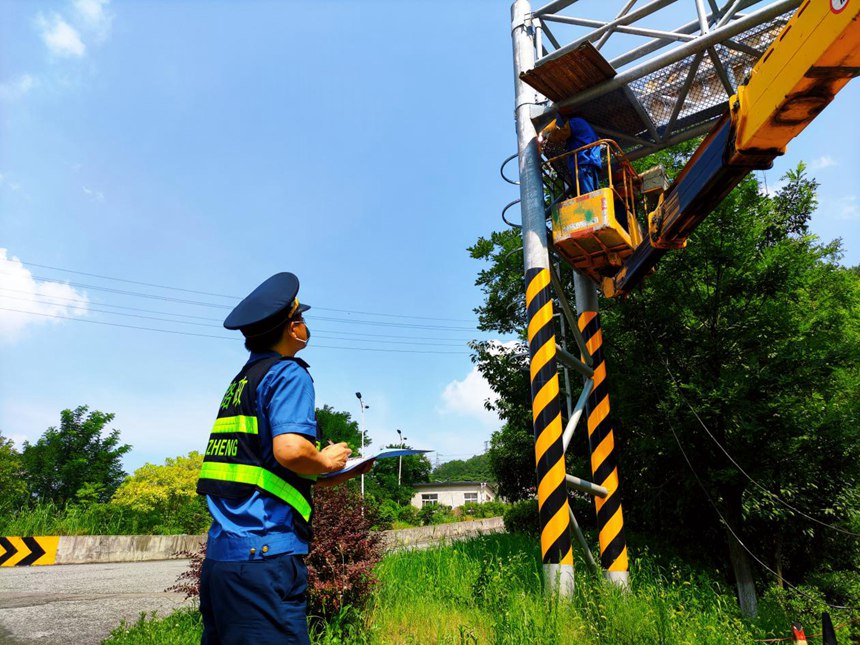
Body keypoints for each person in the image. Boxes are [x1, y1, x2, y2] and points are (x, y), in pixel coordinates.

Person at [196, 272, 372, 645]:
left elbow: (258, 470)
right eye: (302, 319)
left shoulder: (244, 381)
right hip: (264, 560)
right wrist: (325, 460)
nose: (307, 326)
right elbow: (290, 450)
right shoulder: (288, 374)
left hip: (222, 564)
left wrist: (328, 475)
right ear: (293, 330)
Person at [539, 114, 602, 194]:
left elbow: (562, 134)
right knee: (593, 191)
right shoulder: (584, 125)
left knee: (586, 193)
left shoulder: (574, 122)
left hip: (582, 161)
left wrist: (546, 135)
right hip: (591, 161)